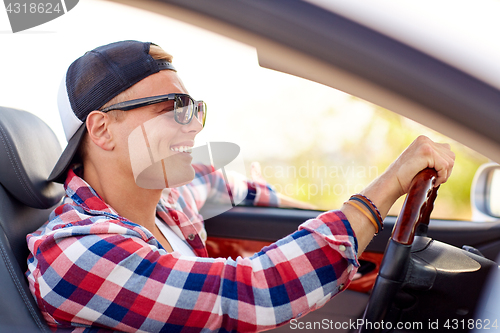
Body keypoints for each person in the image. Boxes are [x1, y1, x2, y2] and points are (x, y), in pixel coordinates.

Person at [26, 40, 455, 333]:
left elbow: (228, 185)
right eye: (174, 108)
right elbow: (249, 293)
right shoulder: (75, 254)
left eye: (195, 108)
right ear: (102, 130)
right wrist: (383, 191)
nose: (194, 125)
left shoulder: (166, 201)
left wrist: (301, 214)